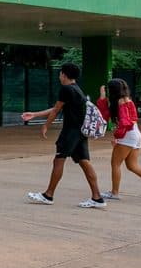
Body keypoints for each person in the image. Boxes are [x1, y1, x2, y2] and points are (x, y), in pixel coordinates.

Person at [21, 63, 105, 208]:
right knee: (85, 162)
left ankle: (48, 195)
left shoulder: (66, 89)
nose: (59, 76)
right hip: (80, 133)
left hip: (70, 132)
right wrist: (35, 114)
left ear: (64, 75)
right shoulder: (77, 89)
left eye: (60, 73)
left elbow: (55, 111)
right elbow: (57, 107)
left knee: (59, 160)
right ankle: (97, 198)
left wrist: (45, 126)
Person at [97, 78, 141, 202]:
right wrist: (103, 98)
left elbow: (124, 122)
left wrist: (117, 137)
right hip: (135, 134)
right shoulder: (127, 100)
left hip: (127, 135)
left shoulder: (120, 102)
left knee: (115, 164)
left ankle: (114, 193)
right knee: (132, 166)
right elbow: (126, 119)